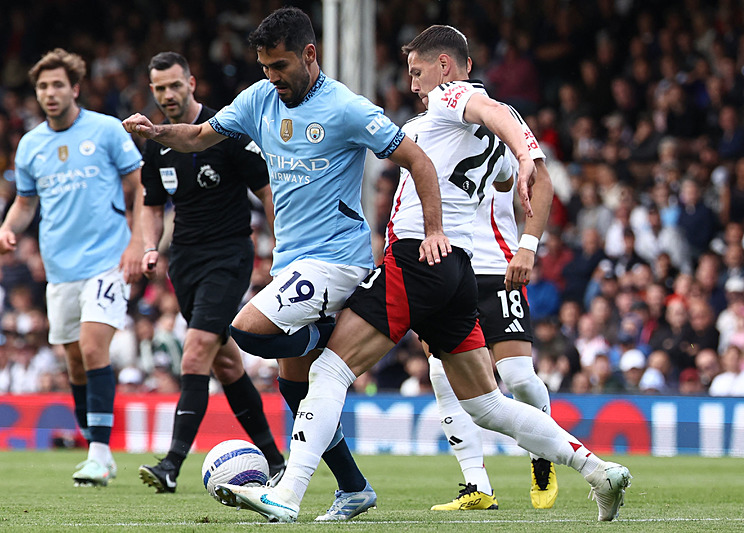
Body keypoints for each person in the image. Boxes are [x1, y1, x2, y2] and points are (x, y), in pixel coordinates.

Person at [211, 24, 631, 524]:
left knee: (329, 369)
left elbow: (492, 115)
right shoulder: (490, 132)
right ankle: (597, 470)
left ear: (446, 67)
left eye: (417, 72)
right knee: (488, 406)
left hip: (418, 257)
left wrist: (522, 155)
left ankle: (289, 493)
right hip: (458, 272)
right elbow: (534, 181)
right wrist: (528, 234)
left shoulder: (456, 97)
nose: (412, 84)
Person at [123, 7, 447, 520]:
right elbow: (200, 135)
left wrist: (432, 229)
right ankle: (354, 489)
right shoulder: (257, 99)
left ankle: (323, 334)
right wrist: (157, 134)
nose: (272, 77)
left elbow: (418, 161)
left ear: (309, 55)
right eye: (265, 67)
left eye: (280, 66)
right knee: (295, 388)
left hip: (337, 258)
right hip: (292, 263)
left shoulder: (346, 107)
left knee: (246, 330)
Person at [135, 51, 286, 493]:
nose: (167, 95)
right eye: (159, 88)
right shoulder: (155, 141)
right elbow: (151, 204)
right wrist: (149, 247)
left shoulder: (225, 131)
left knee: (196, 351)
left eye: (174, 85)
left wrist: (285, 248)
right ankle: (275, 460)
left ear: (192, 83)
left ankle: (172, 464)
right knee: (224, 362)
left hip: (229, 256)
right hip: (184, 261)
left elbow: (267, 190)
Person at [0, 48, 144, 486]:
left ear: (75, 88)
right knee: (75, 362)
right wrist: (7, 229)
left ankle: (97, 453)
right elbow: (25, 203)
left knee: (95, 348)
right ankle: (98, 447)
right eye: (42, 86)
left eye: (58, 84)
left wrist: (138, 241)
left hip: (107, 260)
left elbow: (138, 186)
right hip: (60, 270)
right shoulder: (30, 145)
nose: (50, 93)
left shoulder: (106, 130)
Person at [426, 96, 557, 510]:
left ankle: (543, 452)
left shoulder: (500, 117)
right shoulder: (425, 125)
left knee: (517, 377)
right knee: (442, 375)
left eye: (418, 72)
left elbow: (539, 179)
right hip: (446, 268)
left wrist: (528, 246)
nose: (413, 83)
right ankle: (476, 485)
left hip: (497, 267)